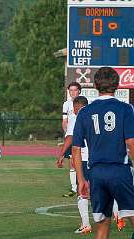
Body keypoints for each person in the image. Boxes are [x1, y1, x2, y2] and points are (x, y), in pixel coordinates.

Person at [73, 67, 134, 239]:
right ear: (118, 85)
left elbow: (76, 148)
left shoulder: (84, 112)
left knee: (102, 226)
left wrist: (81, 180)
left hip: (96, 173)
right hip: (120, 170)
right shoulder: (126, 109)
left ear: (95, 85)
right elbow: (131, 142)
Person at [57, 96, 92, 234]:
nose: (73, 110)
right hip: (97, 158)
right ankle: (117, 215)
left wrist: (61, 155)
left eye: (74, 107)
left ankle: (85, 224)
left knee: (81, 189)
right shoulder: (95, 117)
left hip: (83, 158)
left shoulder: (76, 118)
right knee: (100, 188)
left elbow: (70, 137)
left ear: (77, 107)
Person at [61, 82, 82, 197]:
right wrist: (66, 133)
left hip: (82, 137)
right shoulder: (66, 104)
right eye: (71, 90)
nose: (73, 92)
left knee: (83, 162)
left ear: (79, 91)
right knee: (72, 162)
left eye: (75, 90)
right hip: (70, 137)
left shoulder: (84, 102)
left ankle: (84, 186)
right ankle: (74, 189)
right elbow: (65, 121)